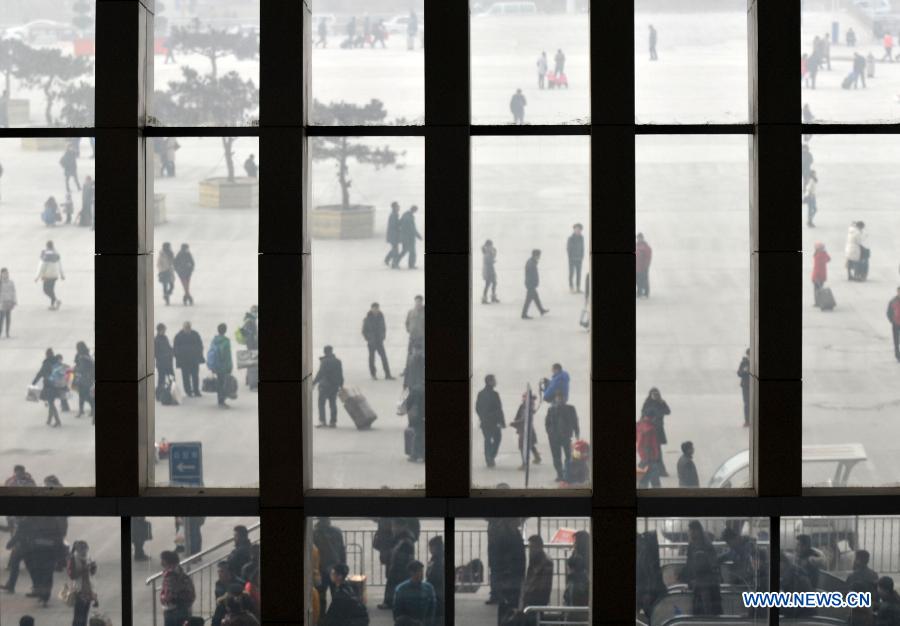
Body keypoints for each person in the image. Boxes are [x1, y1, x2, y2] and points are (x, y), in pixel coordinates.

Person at [494, 519, 526, 625]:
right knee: (506, 605)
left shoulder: (514, 532)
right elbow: (498, 557)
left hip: (513, 576)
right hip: (508, 577)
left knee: (511, 605)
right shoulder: (504, 534)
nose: (520, 520)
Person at [545, 391, 579, 483]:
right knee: (556, 457)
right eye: (558, 398)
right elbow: (547, 423)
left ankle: (567, 474)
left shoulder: (571, 408)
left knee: (569, 456)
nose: (560, 399)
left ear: (565, 399)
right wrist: (549, 433)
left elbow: (575, 421)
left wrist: (577, 433)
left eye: (562, 397)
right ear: (555, 399)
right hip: (554, 438)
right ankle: (560, 475)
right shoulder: (551, 409)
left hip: (566, 437)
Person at [393, 560, 436, 625]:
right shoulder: (401, 589)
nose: (421, 574)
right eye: (418, 571)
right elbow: (397, 614)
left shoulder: (429, 588)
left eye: (421, 571)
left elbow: (432, 610)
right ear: (411, 573)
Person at [159, 550, 196, 626]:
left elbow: (169, 595)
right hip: (184, 609)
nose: (161, 563)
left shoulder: (171, 575)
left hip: (174, 611)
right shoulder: (182, 574)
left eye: (163, 560)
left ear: (167, 562)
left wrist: (164, 598)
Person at [403, 341, 426, 462]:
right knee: (416, 427)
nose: (416, 352)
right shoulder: (411, 360)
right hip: (413, 392)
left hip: (419, 393)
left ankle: (416, 454)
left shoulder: (422, 360)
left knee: (418, 429)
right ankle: (417, 453)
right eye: (414, 350)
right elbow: (407, 375)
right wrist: (405, 389)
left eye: (418, 350)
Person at [476, 374, 505, 468]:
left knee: (488, 439)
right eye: (494, 380)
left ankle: (489, 458)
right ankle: (490, 457)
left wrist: (481, 417)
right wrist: (502, 422)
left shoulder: (480, 393)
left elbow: (477, 408)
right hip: (493, 422)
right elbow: (499, 409)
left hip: (485, 422)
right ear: (490, 382)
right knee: (497, 438)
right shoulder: (494, 394)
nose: (496, 382)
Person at [522, 535, 553, 621]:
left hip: (536, 597)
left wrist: (529, 594)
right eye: (530, 547)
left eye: (532, 547)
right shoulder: (537, 559)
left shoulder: (545, 562)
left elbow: (543, 584)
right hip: (533, 596)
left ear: (539, 547)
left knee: (534, 619)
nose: (530, 550)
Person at [641, 388, 670, 476]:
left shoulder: (661, 402)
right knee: (647, 451)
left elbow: (668, 411)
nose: (655, 395)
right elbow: (643, 415)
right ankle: (644, 470)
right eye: (653, 394)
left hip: (658, 430)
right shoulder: (647, 403)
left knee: (657, 451)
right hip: (649, 431)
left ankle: (661, 471)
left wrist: (661, 404)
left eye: (656, 394)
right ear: (650, 394)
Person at [312, 345, 343, 427]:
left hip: (324, 386)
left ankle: (322, 421)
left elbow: (320, 373)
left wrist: (314, 383)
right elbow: (340, 374)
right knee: (333, 403)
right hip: (334, 386)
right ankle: (333, 422)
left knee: (321, 403)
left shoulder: (324, 361)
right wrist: (341, 385)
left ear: (324, 352)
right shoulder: (338, 361)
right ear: (332, 351)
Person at [68, 540, 97, 626]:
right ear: (77, 550)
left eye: (85, 549)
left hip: (88, 590)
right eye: (82, 549)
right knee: (78, 615)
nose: (84, 551)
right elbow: (72, 575)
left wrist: (93, 567)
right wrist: (83, 570)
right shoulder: (73, 559)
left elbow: (92, 573)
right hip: (78, 590)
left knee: (84, 614)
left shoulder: (89, 558)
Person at [362, 302, 393, 380]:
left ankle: (388, 374)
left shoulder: (381, 317)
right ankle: (373, 375)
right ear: (371, 309)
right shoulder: (367, 319)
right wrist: (368, 339)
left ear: (379, 309)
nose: (376, 310)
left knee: (384, 357)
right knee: (372, 359)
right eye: (374, 308)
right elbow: (364, 331)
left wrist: (383, 336)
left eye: (377, 308)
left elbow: (384, 328)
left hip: (379, 341)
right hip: (371, 342)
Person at [511, 392, 542, 469]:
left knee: (522, 447)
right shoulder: (527, 406)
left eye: (525, 397)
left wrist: (513, 423)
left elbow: (523, 419)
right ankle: (537, 457)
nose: (523, 398)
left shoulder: (527, 408)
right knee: (530, 444)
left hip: (524, 430)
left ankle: (524, 464)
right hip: (528, 428)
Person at [33, 348, 63, 427]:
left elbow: (40, 374)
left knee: (51, 402)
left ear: (47, 354)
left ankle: (57, 420)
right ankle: (49, 420)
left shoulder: (46, 363)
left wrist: (33, 383)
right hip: (57, 385)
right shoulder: (57, 362)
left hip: (49, 385)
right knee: (51, 401)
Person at [174, 321, 205, 397]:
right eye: (186, 327)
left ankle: (196, 390)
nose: (188, 329)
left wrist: (199, 354)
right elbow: (175, 349)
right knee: (186, 377)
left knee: (195, 376)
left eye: (189, 327)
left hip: (194, 360)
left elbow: (200, 345)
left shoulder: (195, 334)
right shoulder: (178, 336)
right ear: (183, 327)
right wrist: (179, 357)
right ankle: (188, 391)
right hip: (184, 361)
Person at [210, 323, 234, 408]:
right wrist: (230, 366)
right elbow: (227, 356)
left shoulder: (214, 340)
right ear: (225, 330)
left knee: (219, 382)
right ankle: (222, 401)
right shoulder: (226, 341)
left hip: (216, 365)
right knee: (224, 383)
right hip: (224, 366)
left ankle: (220, 400)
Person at [36, 240, 64, 310]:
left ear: (47, 246)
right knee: (51, 290)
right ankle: (53, 305)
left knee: (46, 290)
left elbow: (42, 266)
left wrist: (38, 276)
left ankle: (56, 301)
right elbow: (60, 265)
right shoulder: (56, 253)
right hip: (55, 275)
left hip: (47, 275)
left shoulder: (45, 254)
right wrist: (62, 274)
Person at [522, 249, 548, 319]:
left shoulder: (532, 262)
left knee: (535, 297)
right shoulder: (531, 263)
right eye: (539, 255)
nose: (540, 257)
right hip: (531, 284)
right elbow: (531, 275)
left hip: (530, 284)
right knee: (528, 300)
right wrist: (533, 283)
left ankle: (541, 310)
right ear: (536, 255)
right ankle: (524, 314)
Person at [396, 205, 423, 269]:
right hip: (409, 237)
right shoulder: (410, 217)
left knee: (404, 251)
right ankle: (411, 265)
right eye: (416, 210)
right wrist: (419, 236)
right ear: (414, 210)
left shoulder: (405, 215)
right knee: (412, 252)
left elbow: (399, 223)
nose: (416, 211)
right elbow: (412, 229)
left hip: (404, 237)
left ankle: (396, 262)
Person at [74, 341, 95, 419]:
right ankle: (83, 410)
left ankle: (86, 410)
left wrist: (75, 369)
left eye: (77, 347)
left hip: (84, 379)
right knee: (84, 395)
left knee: (84, 395)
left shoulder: (82, 357)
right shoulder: (87, 355)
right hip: (89, 379)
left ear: (79, 348)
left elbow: (82, 369)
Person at [426, 536, 444, 625]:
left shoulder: (437, 561)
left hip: (437, 592)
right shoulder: (437, 558)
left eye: (430, 547)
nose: (429, 549)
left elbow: (433, 576)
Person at [155, 323, 175, 399]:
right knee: (161, 380)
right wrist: (164, 355)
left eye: (165, 330)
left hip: (168, 363)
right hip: (161, 364)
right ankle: (159, 395)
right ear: (159, 330)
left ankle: (172, 392)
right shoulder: (156, 340)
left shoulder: (165, 338)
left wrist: (172, 352)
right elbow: (155, 353)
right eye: (163, 330)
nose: (165, 331)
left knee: (172, 378)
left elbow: (169, 347)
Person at [567, 223, 585, 293]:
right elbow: (568, 248)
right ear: (574, 229)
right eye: (576, 229)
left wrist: (582, 256)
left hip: (579, 259)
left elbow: (582, 248)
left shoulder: (582, 238)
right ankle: (571, 287)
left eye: (579, 229)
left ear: (581, 230)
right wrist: (570, 257)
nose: (578, 231)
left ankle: (578, 288)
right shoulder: (571, 238)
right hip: (572, 259)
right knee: (571, 273)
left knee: (579, 273)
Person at [812, 242, 830, 307]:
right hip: (819, 276)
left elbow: (828, 259)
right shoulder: (821, 254)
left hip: (817, 276)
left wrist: (815, 277)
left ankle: (817, 302)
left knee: (817, 290)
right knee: (819, 289)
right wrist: (825, 252)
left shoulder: (817, 254)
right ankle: (819, 302)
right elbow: (828, 259)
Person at [0, 267, 17, 338]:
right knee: (1, 319)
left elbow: (13, 292)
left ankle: (7, 333)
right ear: (1, 274)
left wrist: (14, 301)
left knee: (8, 318)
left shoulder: (11, 282)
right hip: (2, 302)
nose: (6, 275)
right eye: (4, 273)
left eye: (7, 273)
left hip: (9, 302)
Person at [481, 239, 499, 304]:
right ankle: (484, 298)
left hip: (491, 269)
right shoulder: (486, 252)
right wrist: (492, 261)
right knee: (488, 284)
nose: (492, 246)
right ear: (488, 245)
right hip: (488, 270)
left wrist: (494, 252)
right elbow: (488, 261)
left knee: (494, 282)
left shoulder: (489, 251)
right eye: (491, 245)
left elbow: (492, 257)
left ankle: (493, 297)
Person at [385, 202, 401, 267]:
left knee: (394, 249)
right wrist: (400, 225)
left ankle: (387, 259)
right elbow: (393, 226)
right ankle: (394, 264)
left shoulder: (395, 214)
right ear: (394, 207)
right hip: (393, 236)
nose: (399, 208)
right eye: (397, 206)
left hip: (394, 235)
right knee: (395, 250)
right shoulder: (393, 215)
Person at [636, 233, 652, 297]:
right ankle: (639, 292)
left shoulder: (646, 247)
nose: (639, 239)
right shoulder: (636, 246)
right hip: (637, 267)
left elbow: (648, 257)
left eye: (640, 238)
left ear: (642, 238)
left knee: (644, 279)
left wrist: (646, 266)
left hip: (643, 267)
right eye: (638, 238)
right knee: (638, 280)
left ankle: (646, 292)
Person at [888, 287, 900, 362]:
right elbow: (889, 312)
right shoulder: (893, 301)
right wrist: (892, 320)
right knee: (896, 340)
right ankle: (897, 355)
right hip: (896, 324)